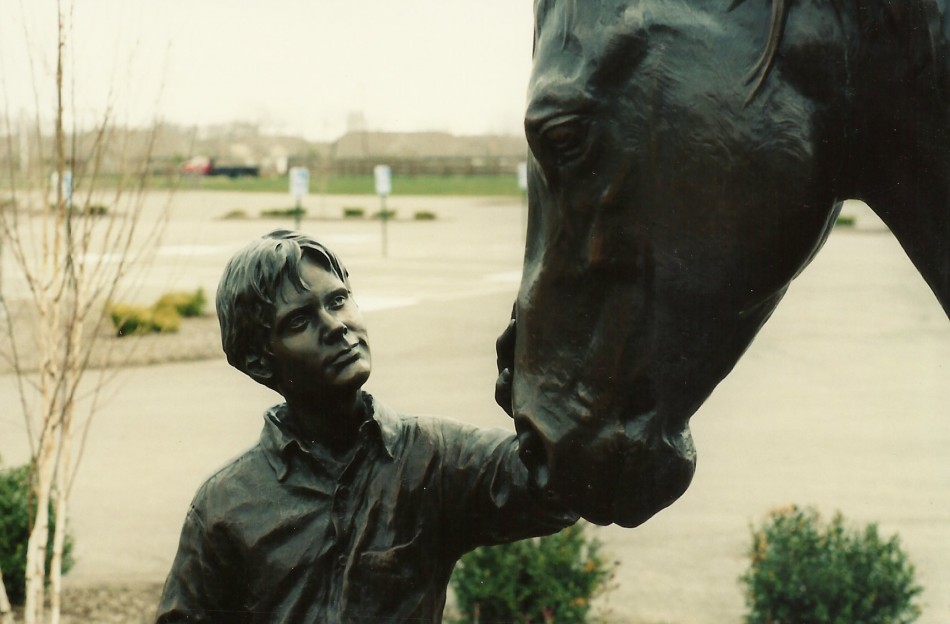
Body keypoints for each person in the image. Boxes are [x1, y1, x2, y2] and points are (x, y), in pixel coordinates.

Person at [155, 230, 576, 623]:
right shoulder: (224, 506)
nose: (336, 326)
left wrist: (543, 408)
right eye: (300, 322)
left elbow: (564, 492)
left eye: (338, 301)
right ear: (259, 361)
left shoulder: (433, 457)